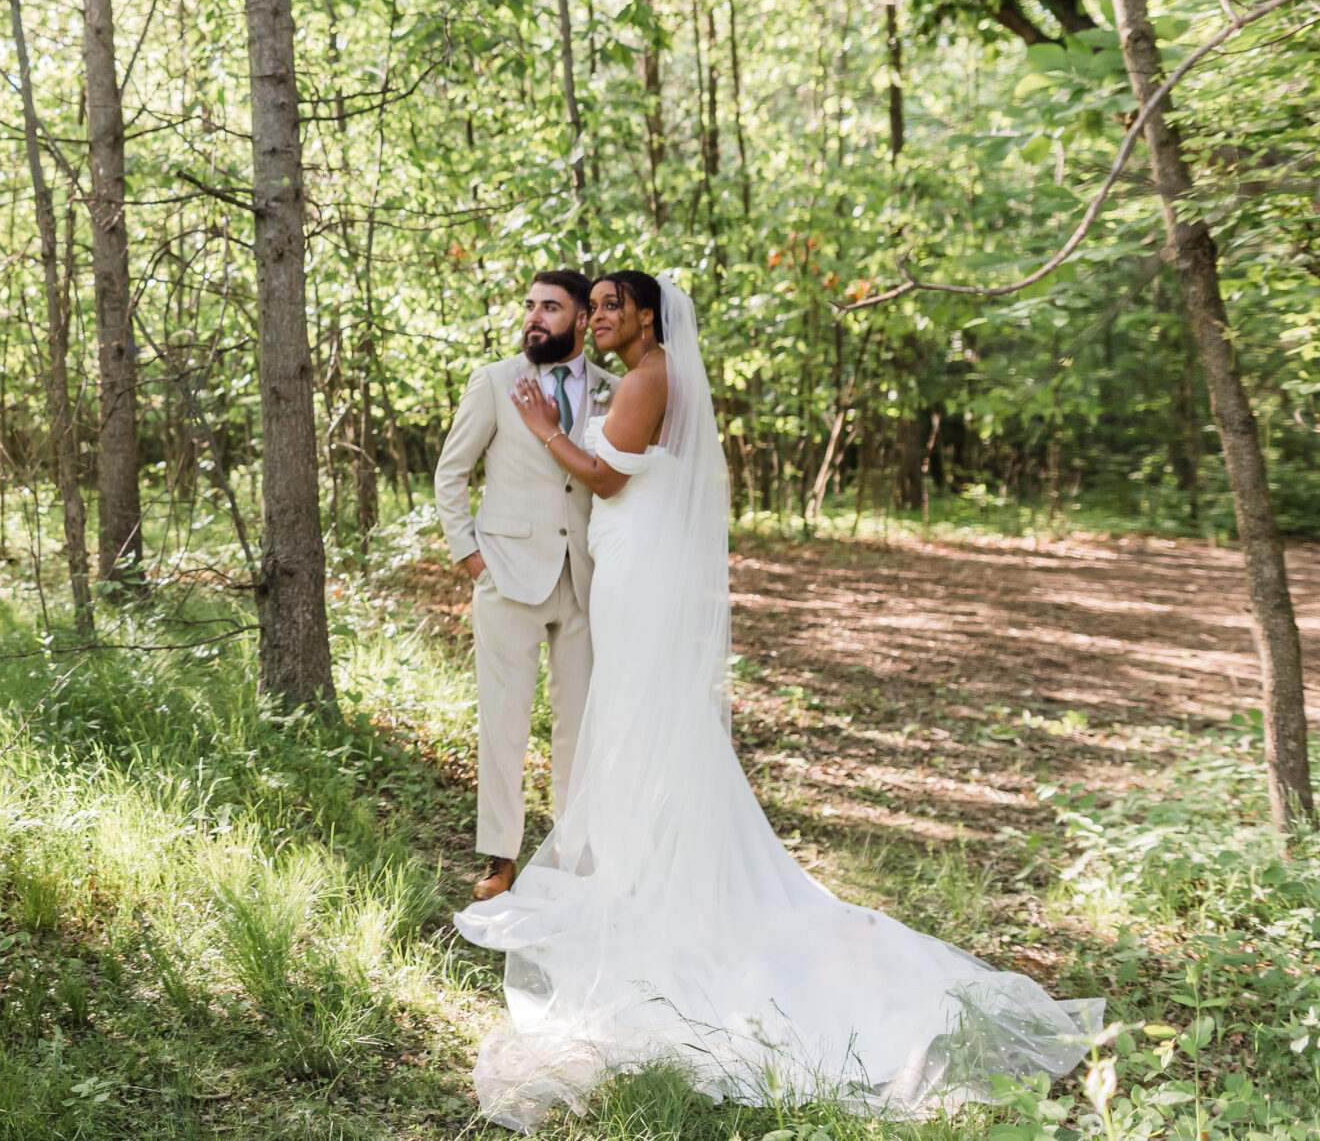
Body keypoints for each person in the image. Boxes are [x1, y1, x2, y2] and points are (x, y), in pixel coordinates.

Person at [453, 271, 1101, 1129]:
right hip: (596, 570)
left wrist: (545, 427)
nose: (599, 315)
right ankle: (596, 856)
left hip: (623, 570)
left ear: (645, 315)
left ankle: (641, 874)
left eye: (611, 304)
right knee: (626, 722)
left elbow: (607, 478)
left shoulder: (643, 379)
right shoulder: (602, 375)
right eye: (593, 304)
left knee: (627, 721)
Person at [435, 270, 613, 903]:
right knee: (503, 723)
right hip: (507, 577)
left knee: (578, 726)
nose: (535, 317)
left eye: (551, 307)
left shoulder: (613, 392)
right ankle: (500, 857)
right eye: (531, 306)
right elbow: (450, 476)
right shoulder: (494, 382)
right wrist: (473, 560)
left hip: (586, 581)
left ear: (583, 321)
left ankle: (573, 848)